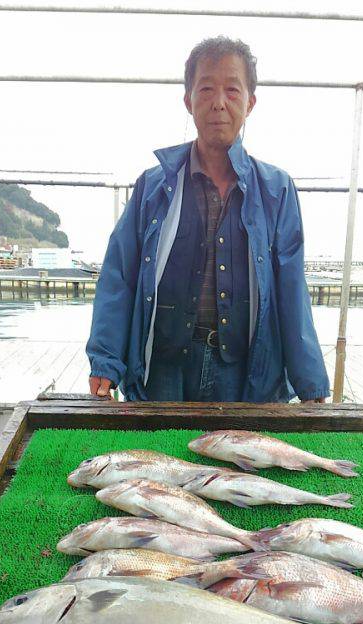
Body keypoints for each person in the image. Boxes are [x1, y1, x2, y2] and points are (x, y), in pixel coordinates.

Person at [87, 36, 329, 403]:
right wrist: (105, 360)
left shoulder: (277, 190)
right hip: (162, 370)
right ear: (188, 101)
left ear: (250, 102)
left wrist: (310, 383)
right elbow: (119, 275)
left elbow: (291, 287)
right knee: (157, 459)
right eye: (206, 89)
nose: (219, 103)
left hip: (243, 371)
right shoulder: (152, 187)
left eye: (233, 90)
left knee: (237, 462)